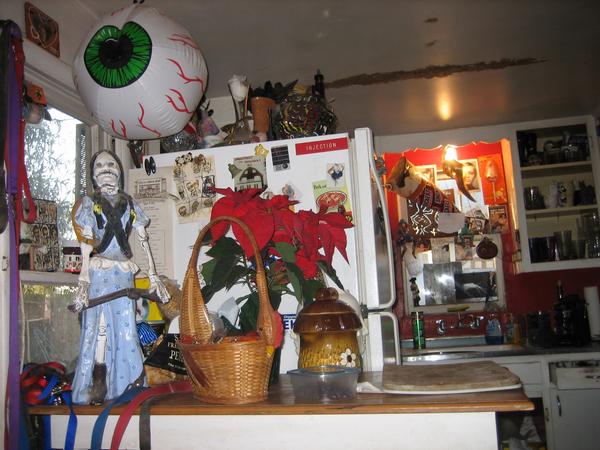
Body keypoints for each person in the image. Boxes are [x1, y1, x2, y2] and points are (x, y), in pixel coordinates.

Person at [69, 150, 170, 405]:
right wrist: (83, 280)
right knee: (99, 326)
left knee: (127, 328)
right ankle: (98, 379)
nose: (106, 168)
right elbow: (86, 242)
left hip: (123, 274)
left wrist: (154, 276)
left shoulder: (130, 204)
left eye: (111, 164)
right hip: (99, 272)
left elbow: (144, 239)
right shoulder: (88, 204)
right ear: (93, 175)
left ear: (119, 172)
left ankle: (126, 383)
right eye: (100, 165)